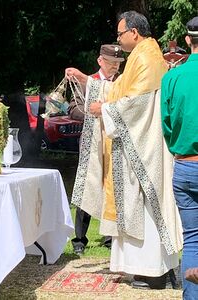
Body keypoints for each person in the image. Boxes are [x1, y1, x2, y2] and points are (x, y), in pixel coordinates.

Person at [66, 10, 182, 289]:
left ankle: (152, 272)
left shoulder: (145, 58)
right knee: (141, 208)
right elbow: (119, 90)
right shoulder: (142, 55)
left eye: (120, 34)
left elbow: (135, 104)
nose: (118, 39)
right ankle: (154, 269)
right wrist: (88, 82)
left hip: (142, 149)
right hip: (137, 146)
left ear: (134, 32)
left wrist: (102, 109)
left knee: (144, 207)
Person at [69, 44, 124, 254]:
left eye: (118, 64)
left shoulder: (121, 83)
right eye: (111, 63)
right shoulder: (87, 82)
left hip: (113, 140)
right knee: (87, 185)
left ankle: (110, 236)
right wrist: (95, 114)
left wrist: (107, 111)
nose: (115, 68)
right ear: (100, 61)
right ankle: (80, 239)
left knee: (112, 186)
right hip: (91, 142)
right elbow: (73, 108)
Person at [161, 16, 198, 299]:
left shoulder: (171, 77)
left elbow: (167, 124)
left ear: (188, 40)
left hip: (184, 165)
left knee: (193, 240)